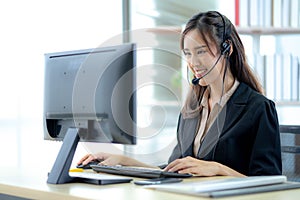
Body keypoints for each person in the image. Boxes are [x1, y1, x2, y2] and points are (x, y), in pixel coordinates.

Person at [78, 11, 282, 177]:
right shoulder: (192, 109)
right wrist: (123, 161)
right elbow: (173, 171)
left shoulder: (258, 108)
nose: (193, 63)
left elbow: (272, 185)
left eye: (201, 51)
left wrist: (219, 169)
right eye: (188, 54)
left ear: (227, 50)